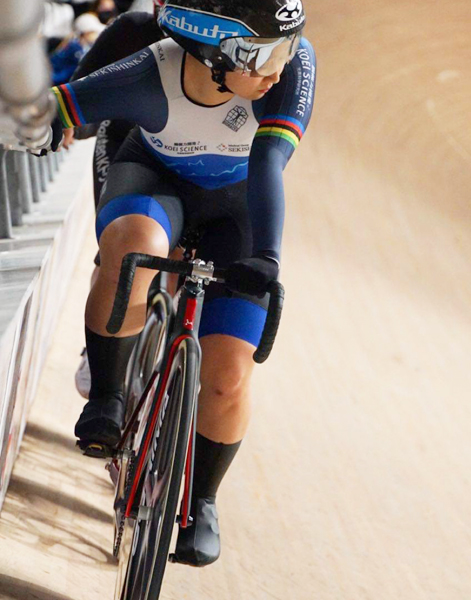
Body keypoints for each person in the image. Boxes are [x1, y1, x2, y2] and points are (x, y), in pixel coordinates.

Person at [50, 0, 315, 567]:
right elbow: (65, 106)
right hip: (153, 180)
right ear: (214, 50)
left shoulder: (288, 70)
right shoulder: (151, 68)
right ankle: (109, 393)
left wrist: (268, 258)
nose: (277, 70)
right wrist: (47, 124)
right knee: (135, 248)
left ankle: (203, 500)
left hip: (237, 208)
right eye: (262, 56)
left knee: (228, 376)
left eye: (286, 50)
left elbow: (268, 162)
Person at [68, 0, 165, 399]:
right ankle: (98, 351)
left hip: (189, 163)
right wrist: (68, 122)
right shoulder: (134, 28)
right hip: (124, 143)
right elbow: (79, 93)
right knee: (119, 245)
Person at [50, 13, 105, 84]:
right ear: (86, 33)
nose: (97, 35)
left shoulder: (83, 46)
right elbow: (68, 71)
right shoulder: (75, 47)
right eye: (94, 32)